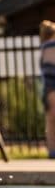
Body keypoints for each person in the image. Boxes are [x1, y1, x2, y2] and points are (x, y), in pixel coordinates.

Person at [40, 20, 55, 159]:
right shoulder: (51, 45)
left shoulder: (44, 47)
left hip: (48, 88)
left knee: (50, 120)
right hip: (52, 86)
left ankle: (52, 150)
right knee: (52, 119)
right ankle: (52, 151)